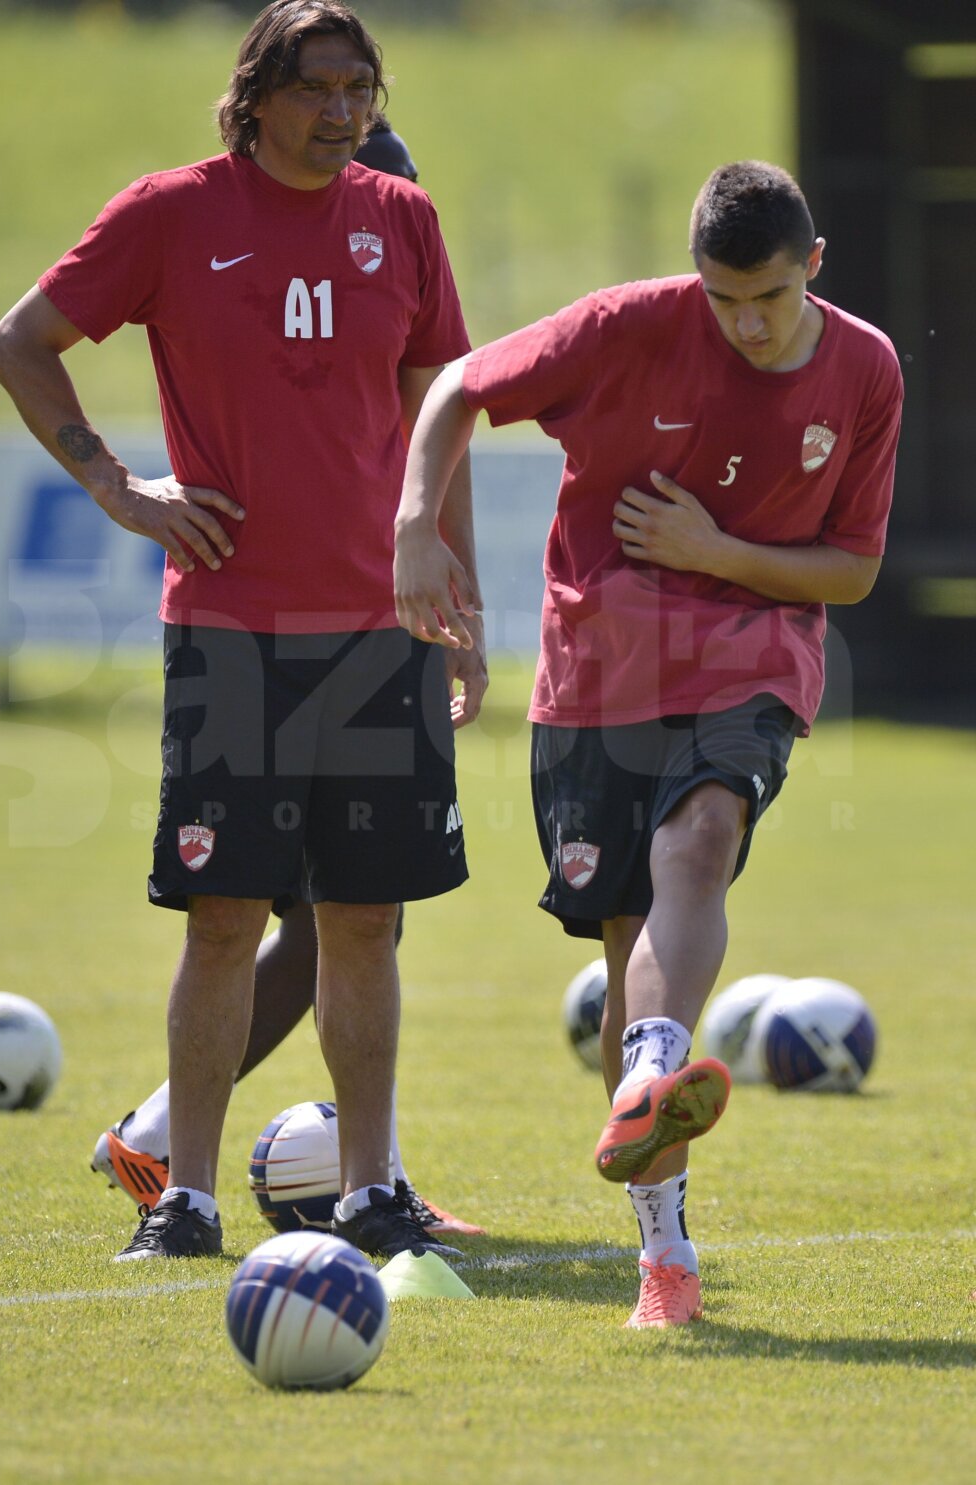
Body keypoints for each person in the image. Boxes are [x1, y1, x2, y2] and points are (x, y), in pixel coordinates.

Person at [0, 1, 484, 1263]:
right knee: (225, 914)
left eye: (361, 90)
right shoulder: (168, 214)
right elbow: (22, 344)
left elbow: (443, 415)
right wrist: (119, 488)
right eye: (319, 87)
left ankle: (374, 1190)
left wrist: (460, 596)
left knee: (366, 918)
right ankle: (185, 1195)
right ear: (254, 94)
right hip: (230, 628)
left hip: (383, 631)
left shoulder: (404, 220)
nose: (343, 112)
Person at [393, 160, 903, 1325]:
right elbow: (458, 387)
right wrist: (418, 523)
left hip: (753, 652)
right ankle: (664, 1251)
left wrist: (717, 552)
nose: (746, 323)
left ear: (813, 266)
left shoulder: (866, 366)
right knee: (631, 931)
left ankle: (651, 1071)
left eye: (768, 299)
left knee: (703, 837)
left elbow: (857, 569)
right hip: (600, 664)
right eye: (724, 300)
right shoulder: (627, 327)